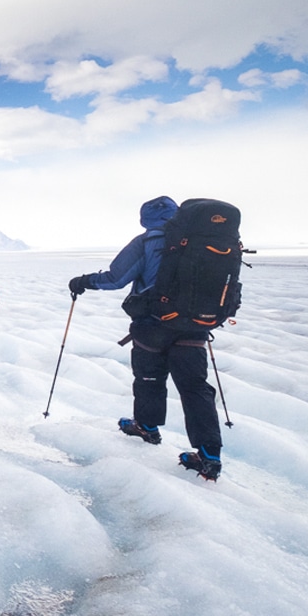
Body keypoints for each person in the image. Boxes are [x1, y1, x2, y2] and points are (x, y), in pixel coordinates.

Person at [67, 196, 224, 481]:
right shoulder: (203, 239)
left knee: (149, 377)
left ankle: (147, 428)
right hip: (195, 324)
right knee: (195, 387)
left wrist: (84, 281)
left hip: (154, 323)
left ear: (145, 218)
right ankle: (210, 455)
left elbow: (116, 278)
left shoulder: (147, 241)